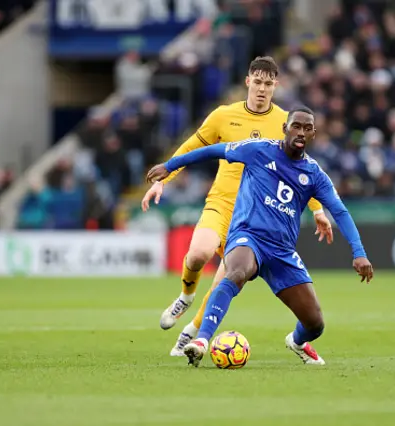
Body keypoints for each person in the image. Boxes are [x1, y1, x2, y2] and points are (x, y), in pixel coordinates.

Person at [146, 107, 374, 367]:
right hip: (248, 235)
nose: (300, 132)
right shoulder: (258, 149)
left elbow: (340, 212)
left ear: (313, 134)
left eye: (307, 128)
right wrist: (170, 166)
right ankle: (201, 341)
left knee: (315, 323)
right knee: (237, 271)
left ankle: (297, 341)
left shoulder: (314, 174)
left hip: (282, 251)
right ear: (285, 129)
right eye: (296, 126)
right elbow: (212, 151)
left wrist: (359, 253)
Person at [141, 57, 334, 356]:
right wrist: (164, 178)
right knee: (197, 255)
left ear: (275, 86)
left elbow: (297, 173)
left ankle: (192, 332)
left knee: (227, 279)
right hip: (220, 202)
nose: (262, 89)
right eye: (257, 82)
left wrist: (317, 209)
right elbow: (193, 147)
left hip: (253, 214)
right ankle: (185, 294)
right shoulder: (223, 116)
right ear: (247, 82)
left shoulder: (285, 121)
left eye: (268, 84)